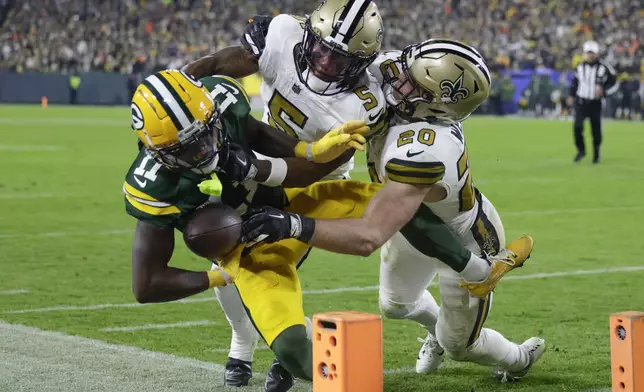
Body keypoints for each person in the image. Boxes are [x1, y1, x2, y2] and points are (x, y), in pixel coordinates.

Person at [240, 39, 545, 382]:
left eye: (414, 84)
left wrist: (295, 225)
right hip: (408, 223)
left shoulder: (425, 149)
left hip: (461, 237)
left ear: (437, 104)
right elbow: (348, 51)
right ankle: (436, 333)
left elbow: (368, 235)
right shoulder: (400, 78)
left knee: (460, 345)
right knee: (395, 305)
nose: (398, 80)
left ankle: (520, 358)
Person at [124, 69, 377, 391]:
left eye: (206, 133)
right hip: (237, 242)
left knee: (399, 202)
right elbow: (146, 285)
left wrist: (307, 151)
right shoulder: (153, 186)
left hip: (282, 201)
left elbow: (256, 130)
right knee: (272, 325)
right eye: (186, 149)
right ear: (157, 153)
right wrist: (221, 275)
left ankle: (462, 268)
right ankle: (246, 348)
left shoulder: (223, 101)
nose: (204, 150)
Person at [567, 40, 617, 164]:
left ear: (597, 53)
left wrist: (605, 92)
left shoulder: (604, 67)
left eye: (592, 53)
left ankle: (596, 154)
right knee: (577, 127)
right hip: (581, 101)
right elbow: (574, 83)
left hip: (595, 102)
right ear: (584, 54)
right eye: (588, 53)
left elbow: (614, 83)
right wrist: (571, 95)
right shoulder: (579, 67)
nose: (590, 55)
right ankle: (581, 150)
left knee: (596, 130)